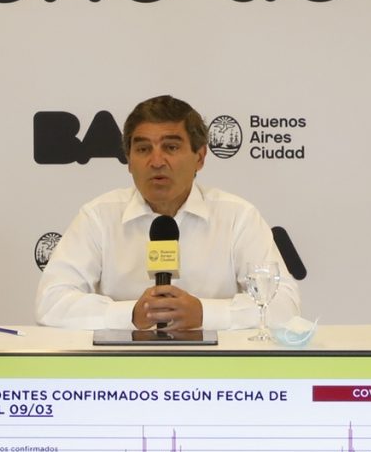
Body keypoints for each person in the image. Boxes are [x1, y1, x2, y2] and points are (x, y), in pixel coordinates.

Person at [36, 94, 293, 333]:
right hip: (123, 364)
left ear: (200, 157)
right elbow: (51, 302)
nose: (157, 161)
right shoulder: (99, 217)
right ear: (129, 160)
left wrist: (204, 314)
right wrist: (131, 314)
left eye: (170, 147)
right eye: (143, 149)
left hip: (214, 365)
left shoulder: (238, 217)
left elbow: (285, 304)